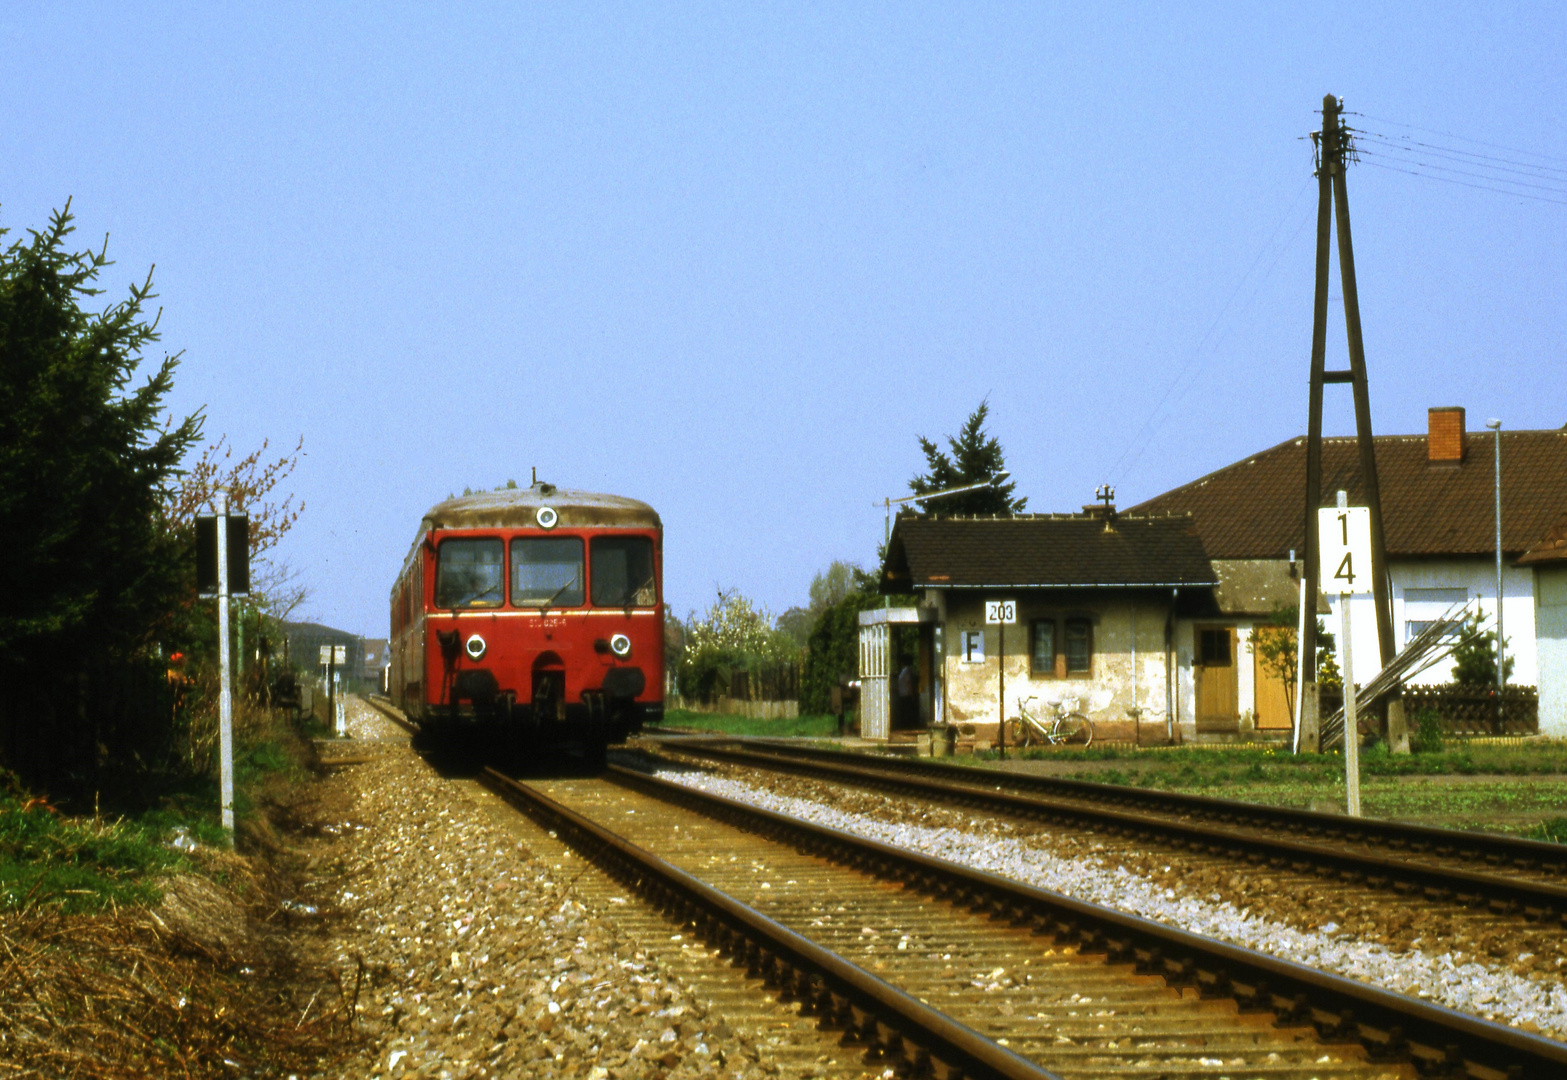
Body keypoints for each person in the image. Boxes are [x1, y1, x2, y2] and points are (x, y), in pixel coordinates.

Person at [895, 655, 917, 729]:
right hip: (904, 693)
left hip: (906, 694)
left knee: (907, 710)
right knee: (905, 710)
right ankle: (905, 725)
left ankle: (907, 725)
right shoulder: (905, 670)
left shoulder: (907, 670)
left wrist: (912, 693)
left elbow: (909, 682)